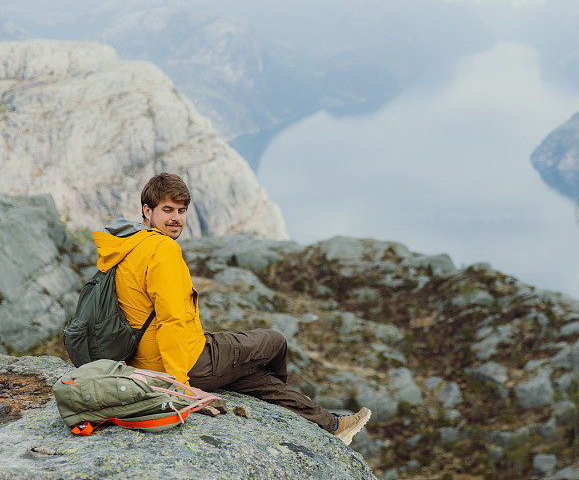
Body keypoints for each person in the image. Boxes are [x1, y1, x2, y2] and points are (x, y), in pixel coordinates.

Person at [92, 172, 371, 445]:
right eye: (167, 210)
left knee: (254, 376)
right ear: (147, 210)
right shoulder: (162, 251)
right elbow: (172, 320)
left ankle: (332, 425)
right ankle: (304, 422)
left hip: (143, 359)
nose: (176, 218)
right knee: (274, 342)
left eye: (181, 210)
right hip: (182, 361)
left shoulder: (128, 243)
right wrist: (179, 387)